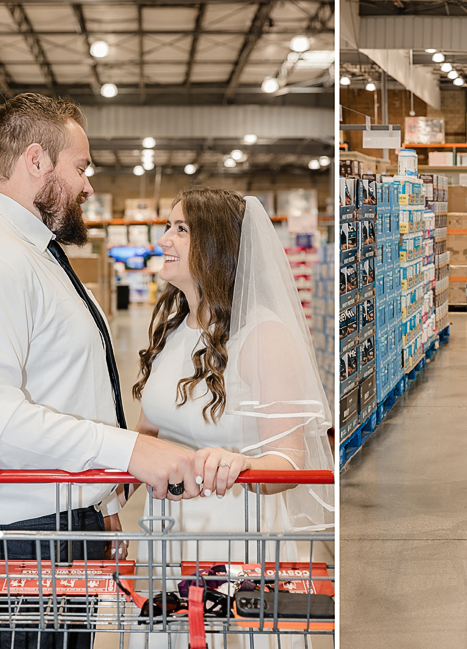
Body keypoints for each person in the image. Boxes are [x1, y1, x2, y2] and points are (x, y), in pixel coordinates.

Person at [0, 93, 199, 648]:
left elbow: (69, 389)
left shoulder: (31, 252)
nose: (88, 185)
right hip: (15, 540)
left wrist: (101, 501)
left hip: (57, 527)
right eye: (81, 167)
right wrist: (131, 452)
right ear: (37, 161)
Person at [124, 188, 334, 648]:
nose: (165, 239)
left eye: (181, 229)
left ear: (217, 246)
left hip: (237, 538)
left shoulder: (263, 337)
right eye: (167, 226)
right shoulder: (175, 330)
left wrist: (240, 464)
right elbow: (146, 432)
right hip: (167, 534)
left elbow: (292, 464)